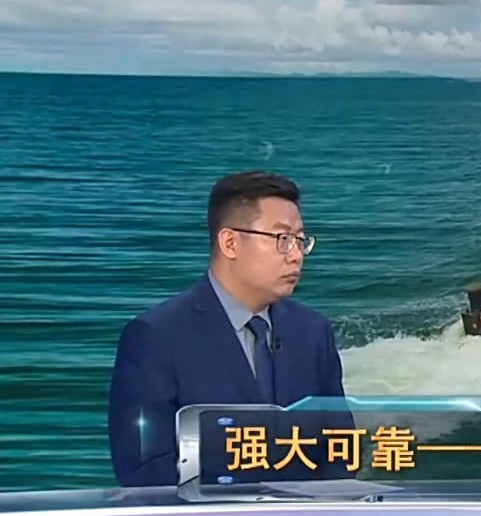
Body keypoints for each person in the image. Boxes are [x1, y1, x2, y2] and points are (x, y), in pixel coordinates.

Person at [107, 171, 354, 488]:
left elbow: (339, 449)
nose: (295, 255)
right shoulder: (156, 337)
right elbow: (146, 469)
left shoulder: (313, 332)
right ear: (230, 243)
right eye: (282, 239)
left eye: (300, 240)